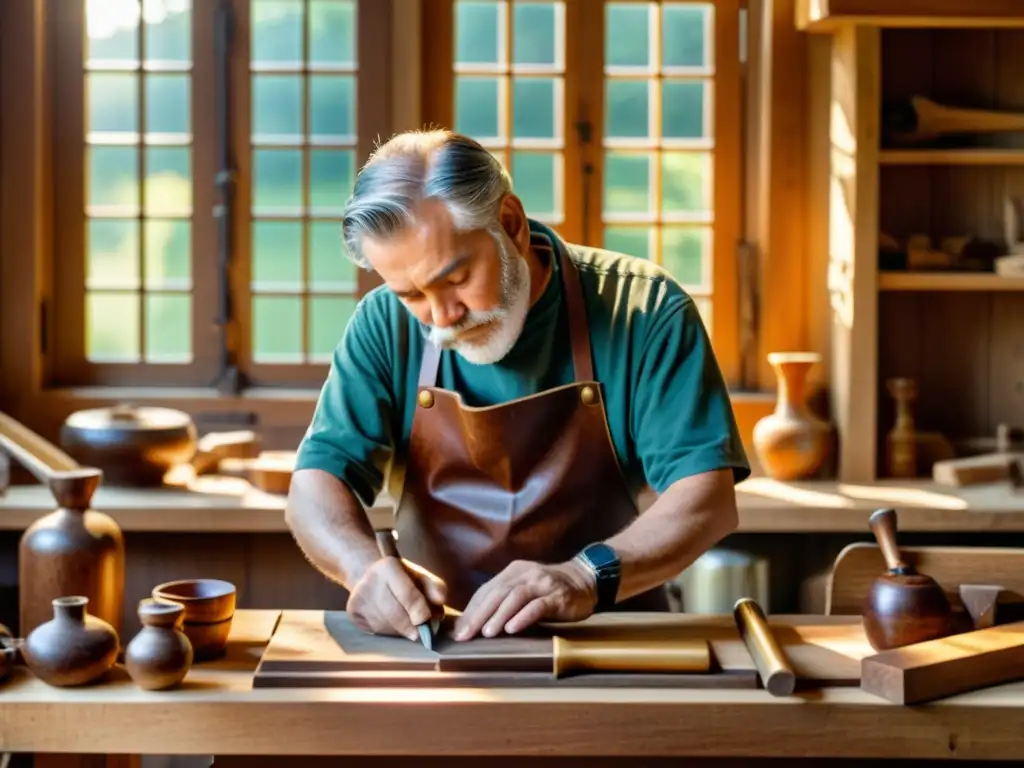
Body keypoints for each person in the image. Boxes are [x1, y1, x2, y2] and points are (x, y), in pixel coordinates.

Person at [285, 129, 749, 644]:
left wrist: (584, 575)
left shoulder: (645, 312)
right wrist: (361, 568)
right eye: (412, 293)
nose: (442, 318)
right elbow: (314, 486)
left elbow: (706, 497)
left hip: (611, 642)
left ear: (510, 223)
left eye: (456, 279)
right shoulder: (383, 325)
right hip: (436, 648)